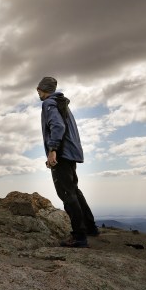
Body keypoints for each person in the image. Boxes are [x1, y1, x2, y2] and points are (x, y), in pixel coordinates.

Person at [37, 76, 99, 248]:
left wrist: (53, 150)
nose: (38, 92)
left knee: (66, 193)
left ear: (44, 89)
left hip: (62, 154)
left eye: (39, 89)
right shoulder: (62, 103)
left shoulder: (49, 103)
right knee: (74, 190)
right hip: (70, 153)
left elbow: (57, 126)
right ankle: (90, 228)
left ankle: (79, 237)